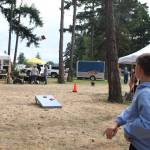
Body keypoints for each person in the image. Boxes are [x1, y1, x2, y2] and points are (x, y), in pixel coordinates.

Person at [103, 54, 150, 150]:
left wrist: (128, 130)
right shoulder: (143, 90)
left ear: (139, 70)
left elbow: (147, 124)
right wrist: (117, 122)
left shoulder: (145, 93)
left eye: (135, 66)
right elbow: (132, 110)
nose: (133, 68)